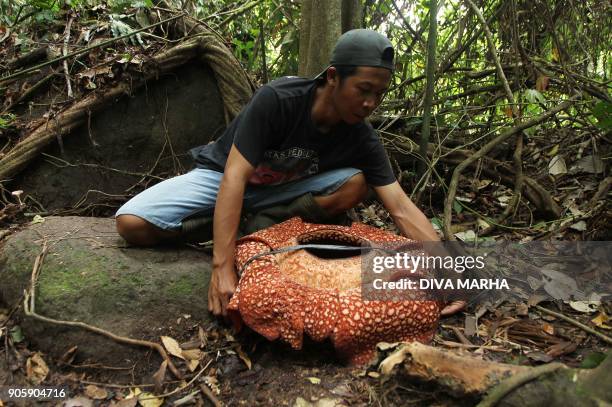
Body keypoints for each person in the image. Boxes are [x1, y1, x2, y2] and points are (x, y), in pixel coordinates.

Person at [115, 29, 465, 317]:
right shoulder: (279, 99)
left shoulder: (361, 135)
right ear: (333, 77)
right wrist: (222, 266)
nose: (370, 103)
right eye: (363, 89)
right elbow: (234, 177)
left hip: (285, 192)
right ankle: (239, 226)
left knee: (356, 183)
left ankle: (264, 222)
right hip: (223, 177)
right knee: (132, 224)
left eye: (379, 94)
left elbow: (400, 206)